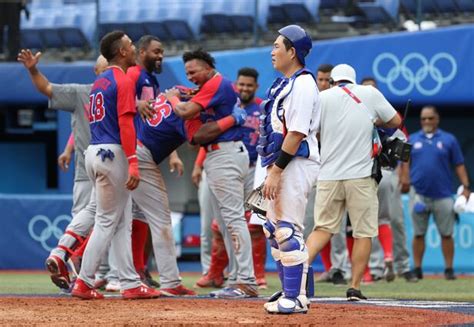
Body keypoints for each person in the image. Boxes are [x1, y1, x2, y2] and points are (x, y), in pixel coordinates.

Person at [71, 30, 160, 300]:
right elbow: (125, 123)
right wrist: (133, 161)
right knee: (108, 221)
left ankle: (130, 283)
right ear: (121, 51)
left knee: (122, 222)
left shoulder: (100, 81)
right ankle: (84, 282)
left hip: (94, 151)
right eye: (131, 45)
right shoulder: (121, 79)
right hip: (113, 152)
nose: (134, 48)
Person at [165, 49, 258, 298]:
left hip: (226, 154)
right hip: (219, 155)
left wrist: (174, 99)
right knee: (225, 223)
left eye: (193, 71)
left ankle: (246, 279)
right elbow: (196, 137)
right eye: (186, 73)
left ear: (207, 67)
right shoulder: (208, 87)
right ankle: (238, 277)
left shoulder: (217, 82)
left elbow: (184, 111)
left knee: (233, 218)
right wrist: (187, 96)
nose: (190, 77)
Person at [306, 64, 401, 301]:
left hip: (328, 175)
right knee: (363, 233)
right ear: (353, 79)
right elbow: (396, 121)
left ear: (332, 80)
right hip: (361, 175)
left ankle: (296, 274)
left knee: (322, 229)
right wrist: (373, 121)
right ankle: (355, 287)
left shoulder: (322, 97)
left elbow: (311, 132)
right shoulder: (369, 93)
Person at [17, 49, 108, 290]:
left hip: (110, 165)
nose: (108, 73)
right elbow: (47, 88)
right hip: (87, 169)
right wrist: (33, 70)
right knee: (86, 219)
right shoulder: (82, 93)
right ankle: (78, 272)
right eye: (104, 69)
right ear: (96, 72)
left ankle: (106, 273)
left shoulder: (123, 93)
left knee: (114, 221)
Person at [258, 25, 320, 314]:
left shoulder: (304, 84)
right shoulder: (285, 82)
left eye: (277, 46)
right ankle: (292, 291)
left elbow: (295, 134)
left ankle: (294, 298)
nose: (272, 51)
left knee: (287, 229)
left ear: (292, 51)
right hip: (280, 163)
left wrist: (275, 171)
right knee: (273, 229)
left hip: (294, 163)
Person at [193, 67, 267, 289]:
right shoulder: (226, 104)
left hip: (253, 168)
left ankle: (256, 274)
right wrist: (197, 165)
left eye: (249, 85)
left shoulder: (262, 108)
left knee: (252, 223)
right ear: (235, 84)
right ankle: (214, 271)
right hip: (218, 161)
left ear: (256, 86)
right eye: (241, 84)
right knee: (213, 224)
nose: (244, 88)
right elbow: (210, 134)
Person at [400, 105, 471, 280]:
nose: (427, 121)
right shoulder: (413, 139)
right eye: (423, 118)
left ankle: (448, 269)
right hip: (419, 194)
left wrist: (466, 186)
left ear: (437, 119)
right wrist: (405, 179)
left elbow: (459, 164)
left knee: (447, 233)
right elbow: (405, 162)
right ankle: (417, 268)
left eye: (430, 118)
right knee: (418, 233)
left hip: (443, 194)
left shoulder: (449, 140)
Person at [360, 76, 418, 283]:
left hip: (386, 170)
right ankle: (377, 267)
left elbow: (404, 148)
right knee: (370, 222)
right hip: (364, 172)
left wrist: (404, 174)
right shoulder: (355, 112)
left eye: (373, 89)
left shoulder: (391, 114)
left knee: (396, 221)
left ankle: (402, 265)